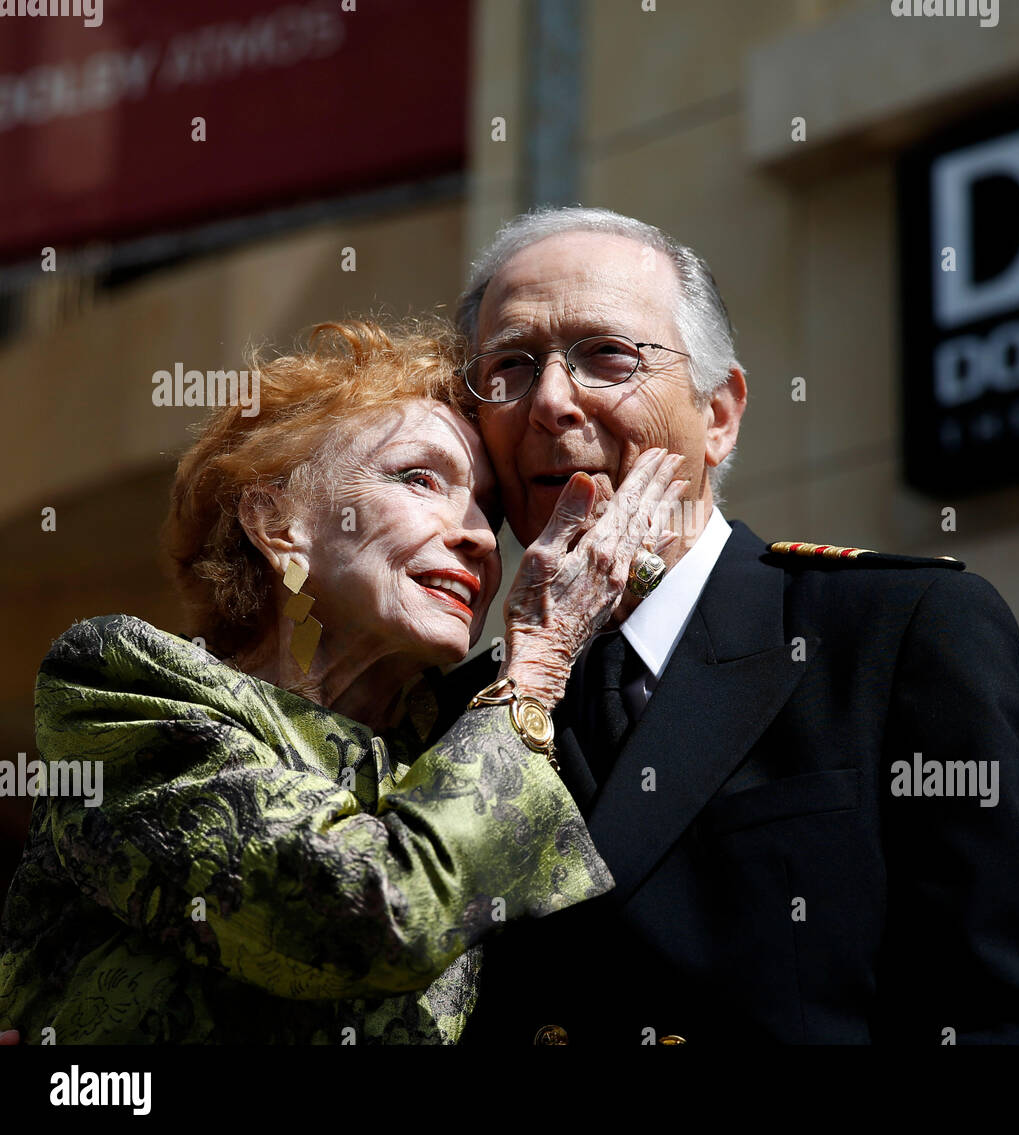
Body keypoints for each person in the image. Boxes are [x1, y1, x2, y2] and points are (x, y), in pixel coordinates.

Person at [440, 206, 1019, 1045]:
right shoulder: (465, 713)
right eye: (510, 366)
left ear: (720, 414)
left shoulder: (890, 633)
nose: (551, 400)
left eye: (606, 356)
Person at [0, 317, 687, 1043]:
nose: (480, 536)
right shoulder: (122, 684)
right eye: (419, 478)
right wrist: (540, 660)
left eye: (489, 509)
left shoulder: (453, 741)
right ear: (276, 521)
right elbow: (367, 912)